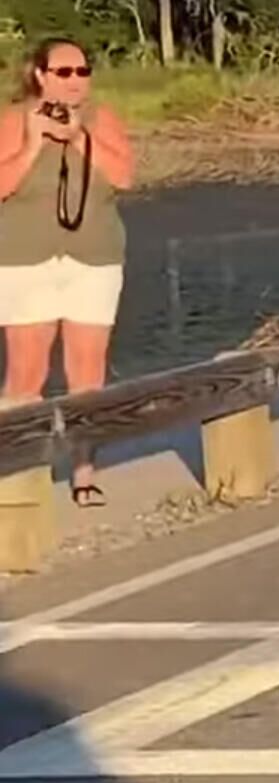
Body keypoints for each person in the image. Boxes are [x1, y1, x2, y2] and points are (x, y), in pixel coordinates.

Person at [0, 37, 134, 508]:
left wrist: (78, 138)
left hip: (92, 260)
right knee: (25, 374)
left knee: (87, 373)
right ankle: (20, 475)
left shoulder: (102, 121)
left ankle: (84, 473)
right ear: (40, 75)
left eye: (82, 71)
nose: (75, 80)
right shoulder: (12, 121)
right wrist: (34, 145)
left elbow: (123, 176)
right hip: (24, 261)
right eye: (64, 72)